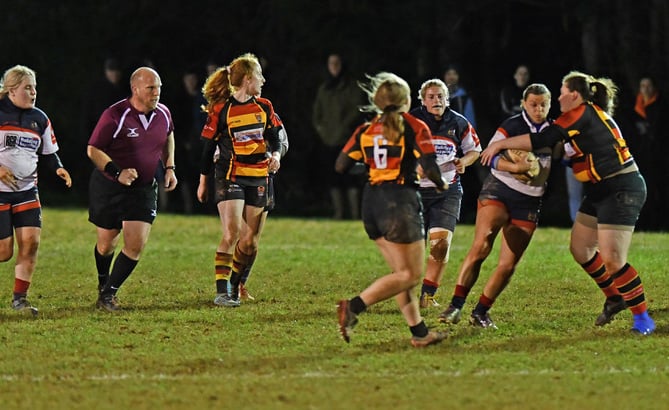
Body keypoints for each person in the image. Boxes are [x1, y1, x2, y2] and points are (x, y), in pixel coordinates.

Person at [480, 71, 656, 335]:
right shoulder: (583, 117)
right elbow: (562, 152)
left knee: (613, 260)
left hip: (621, 187)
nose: (559, 96)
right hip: (601, 188)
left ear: (574, 95)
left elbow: (543, 139)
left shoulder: (581, 112)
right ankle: (615, 297)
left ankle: (643, 320)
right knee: (581, 248)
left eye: (561, 92)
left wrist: (499, 144)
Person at [335, 72, 449, 347]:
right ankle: (353, 307)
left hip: (372, 202)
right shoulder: (413, 125)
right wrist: (441, 184)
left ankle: (419, 333)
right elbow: (431, 167)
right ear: (406, 100)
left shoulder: (366, 129)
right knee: (410, 275)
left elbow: (341, 166)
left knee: (401, 274)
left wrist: (376, 167)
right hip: (399, 203)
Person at [438, 84, 556, 329]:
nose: (538, 108)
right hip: (500, 190)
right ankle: (455, 306)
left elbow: (568, 157)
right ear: (524, 103)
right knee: (482, 245)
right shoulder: (511, 126)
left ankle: (481, 311)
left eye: (543, 104)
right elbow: (488, 157)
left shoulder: (556, 131)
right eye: (533, 104)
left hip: (530, 200)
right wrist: (516, 168)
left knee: (508, 264)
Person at [87, 66, 178, 312]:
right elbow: (93, 149)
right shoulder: (115, 115)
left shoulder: (164, 113)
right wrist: (118, 172)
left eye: (159, 87)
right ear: (135, 88)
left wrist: (169, 167)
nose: (156, 92)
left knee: (135, 245)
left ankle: (108, 294)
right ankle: (103, 282)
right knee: (106, 244)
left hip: (143, 189)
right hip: (109, 187)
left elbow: (168, 135)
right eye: (151, 88)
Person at [197, 53, 282, 307]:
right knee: (231, 233)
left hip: (258, 176)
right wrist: (203, 181)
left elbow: (275, 136)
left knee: (249, 240)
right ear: (247, 79)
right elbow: (206, 148)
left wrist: (276, 155)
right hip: (229, 175)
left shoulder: (265, 106)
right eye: (259, 75)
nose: (263, 80)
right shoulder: (222, 110)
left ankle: (235, 284)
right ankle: (222, 292)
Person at [0, 65, 72, 316]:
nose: (33, 92)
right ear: (11, 90)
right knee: (3, 252)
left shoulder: (39, 118)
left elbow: (50, 153)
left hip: (27, 191)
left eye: (35, 87)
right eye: (27, 87)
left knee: (30, 244)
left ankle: (19, 300)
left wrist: (59, 169)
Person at [408, 78, 481, 308]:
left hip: (447, 191)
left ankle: (428, 295)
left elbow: (475, 149)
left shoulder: (458, 122)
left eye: (440, 96)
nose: (436, 100)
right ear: (423, 100)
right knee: (412, 247)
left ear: (447, 98)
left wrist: (464, 162)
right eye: (431, 96)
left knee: (440, 245)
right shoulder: (412, 120)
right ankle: (404, 289)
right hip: (415, 191)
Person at [236, 111, 289, 301]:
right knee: (239, 235)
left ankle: (239, 283)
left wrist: (276, 156)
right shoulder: (230, 111)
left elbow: (282, 141)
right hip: (236, 176)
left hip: (262, 177)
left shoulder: (268, 113)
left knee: (251, 240)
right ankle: (229, 286)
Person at [312, 53, 366, 219]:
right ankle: (339, 213)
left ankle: (355, 214)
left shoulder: (351, 87)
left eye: (337, 63)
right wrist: (322, 130)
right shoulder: (325, 88)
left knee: (351, 178)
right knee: (333, 178)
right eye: (331, 64)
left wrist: (345, 128)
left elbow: (356, 110)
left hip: (348, 139)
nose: (334, 67)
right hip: (329, 141)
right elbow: (317, 114)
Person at [627, 76, 663, 230]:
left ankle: (657, 224)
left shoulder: (661, 107)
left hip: (658, 159)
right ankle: (641, 224)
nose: (646, 89)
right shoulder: (634, 109)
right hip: (639, 158)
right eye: (643, 86)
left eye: (649, 85)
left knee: (658, 191)